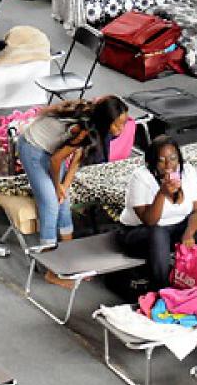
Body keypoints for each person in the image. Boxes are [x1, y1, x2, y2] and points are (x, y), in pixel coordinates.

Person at [18, 96, 129, 285]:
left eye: (123, 124)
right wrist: (57, 186)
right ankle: (51, 270)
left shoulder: (93, 130)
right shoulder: (82, 130)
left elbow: (77, 158)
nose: (121, 129)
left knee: (64, 202)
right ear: (105, 121)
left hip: (52, 150)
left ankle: (68, 260)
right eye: (118, 125)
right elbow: (55, 161)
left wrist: (64, 186)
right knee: (51, 204)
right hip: (32, 148)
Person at [117, 135, 197, 289]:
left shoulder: (188, 172)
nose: (168, 165)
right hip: (140, 234)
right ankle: (162, 289)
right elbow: (150, 221)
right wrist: (162, 193)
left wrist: (189, 233)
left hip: (177, 230)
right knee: (158, 233)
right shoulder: (141, 177)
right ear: (152, 162)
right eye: (161, 160)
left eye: (173, 158)